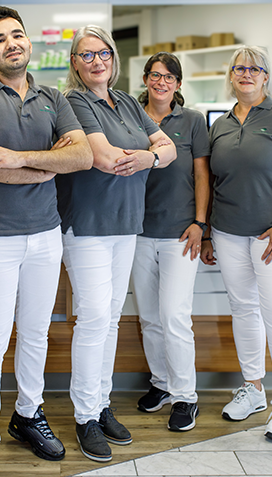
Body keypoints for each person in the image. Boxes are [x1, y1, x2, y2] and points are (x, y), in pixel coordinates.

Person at [0, 6, 93, 477]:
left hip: (44, 234)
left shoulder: (54, 96)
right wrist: (47, 162)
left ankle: (28, 414)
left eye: (17, 35)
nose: (11, 43)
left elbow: (82, 156)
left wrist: (16, 157)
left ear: (29, 43)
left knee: (36, 332)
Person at [59, 25, 176, 462]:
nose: (96, 61)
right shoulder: (73, 101)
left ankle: (101, 402)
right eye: (86, 55)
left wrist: (149, 156)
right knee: (92, 318)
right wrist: (149, 156)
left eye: (103, 52)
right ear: (75, 62)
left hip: (126, 224)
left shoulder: (127, 100)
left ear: (114, 57)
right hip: (86, 225)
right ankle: (85, 416)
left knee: (110, 319)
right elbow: (103, 157)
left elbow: (169, 149)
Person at [200, 45, 272, 443]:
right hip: (228, 233)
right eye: (239, 68)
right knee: (244, 309)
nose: (246, 73)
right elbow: (214, 182)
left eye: (255, 68)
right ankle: (253, 389)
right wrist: (208, 231)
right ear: (230, 76)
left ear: (266, 76)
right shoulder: (220, 124)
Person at [131, 52, 210, 432]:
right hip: (137, 232)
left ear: (178, 84)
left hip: (181, 234)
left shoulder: (192, 121)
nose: (161, 82)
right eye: (155, 75)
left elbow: (201, 175)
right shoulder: (131, 114)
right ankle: (161, 384)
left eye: (169, 77)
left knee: (174, 315)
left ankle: (185, 396)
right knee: (148, 317)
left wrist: (200, 223)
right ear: (146, 79)